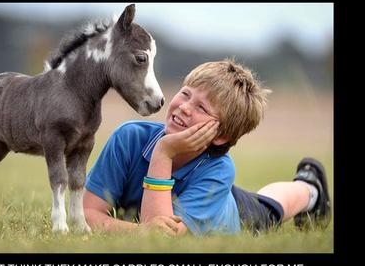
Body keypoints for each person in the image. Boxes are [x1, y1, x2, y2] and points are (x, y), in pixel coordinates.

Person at [83, 59, 331, 236]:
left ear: (221, 135)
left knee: (269, 209)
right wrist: (138, 232)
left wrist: (164, 152)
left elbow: (161, 241)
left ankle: (310, 188)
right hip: (205, 193)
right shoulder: (129, 138)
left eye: (201, 108)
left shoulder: (219, 171)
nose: (184, 107)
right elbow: (87, 214)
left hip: (232, 212)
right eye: (185, 93)